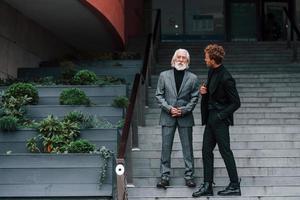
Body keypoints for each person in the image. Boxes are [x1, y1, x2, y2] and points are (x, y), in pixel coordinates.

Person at [192, 44, 241, 197]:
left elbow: (236, 103)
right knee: (206, 150)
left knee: (225, 151)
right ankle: (207, 185)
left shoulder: (226, 77)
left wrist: (221, 116)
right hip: (211, 117)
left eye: (206, 57)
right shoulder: (212, 71)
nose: (204, 59)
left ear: (213, 59)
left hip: (219, 119)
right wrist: (204, 92)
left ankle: (234, 185)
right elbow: (211, 93)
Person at [155, 48, 199, 189]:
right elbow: (159, 95)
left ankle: (189, 176)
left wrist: (183, 110)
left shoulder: (193, 78)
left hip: (185, 117)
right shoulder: (163, 75)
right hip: (167, 116)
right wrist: (169, 108)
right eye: (178, 57)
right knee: (165, 148)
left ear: (187, 61)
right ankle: (164, 176)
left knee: (188, 148)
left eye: (183, 58)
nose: (180, 60)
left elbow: (195, 97)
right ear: (174, 59)